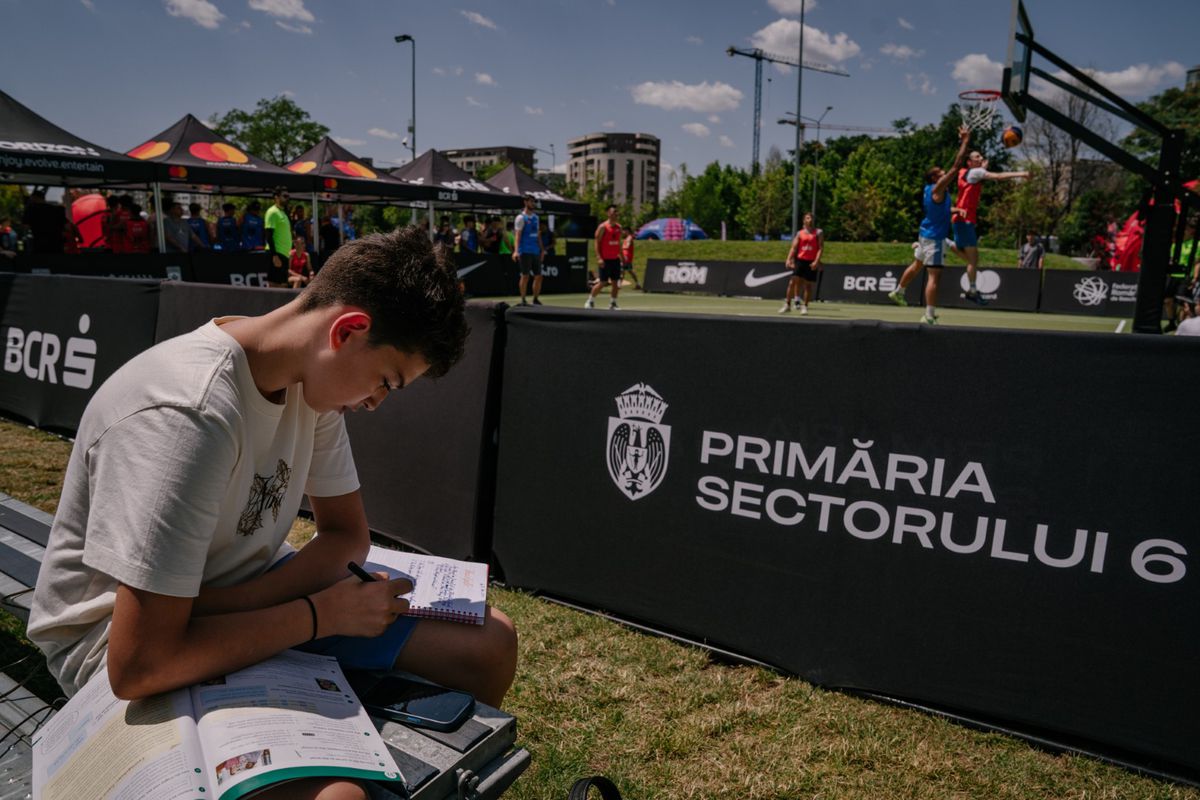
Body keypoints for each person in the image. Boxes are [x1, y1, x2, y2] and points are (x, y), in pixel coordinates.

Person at [27, 226, 517, 800]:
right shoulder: (190, 410)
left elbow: (345, 537)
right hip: (115, 643)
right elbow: (139, 664)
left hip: (222, 604)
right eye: (385, 381)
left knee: (488, 642)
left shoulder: (311, 381)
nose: (374, 403)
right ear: (349, 330)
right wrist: (318, 615)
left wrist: (266, 606)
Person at [888, 125, 972, 324]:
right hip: (934, 238)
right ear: (936, 178)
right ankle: (929, 315)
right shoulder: (938, 189)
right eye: (941, 173)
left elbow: (940, 210)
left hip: (926, 234)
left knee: (917, 265)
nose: (945, 175)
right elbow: (957, 165)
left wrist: (955, 210)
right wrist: (966, 141)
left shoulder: (930, 190)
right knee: (934, 276)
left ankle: (898, 291)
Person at [949, 152, 1029, 304]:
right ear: (969, 162)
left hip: (960, 220)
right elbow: (998, 177)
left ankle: (943, 242)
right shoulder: (976, 172)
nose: (981, 159)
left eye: (981, 157)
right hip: (965, 221)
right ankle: (972, 291)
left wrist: (981, 167)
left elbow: (974, 173)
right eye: (977, 157)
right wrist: (1022, 173)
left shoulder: (963, 172)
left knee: (971, 259)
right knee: (972, 260)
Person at [780, 212, 823, 315]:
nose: (810, 220)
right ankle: (787, 305)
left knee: (808, 286)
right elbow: (794, 248)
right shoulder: (800, 233)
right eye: (808, 218)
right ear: (804, 220)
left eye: (811, 218)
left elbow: (821, 248)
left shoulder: (819, 232)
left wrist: (816, 261)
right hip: (800, 261)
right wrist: (788, 259)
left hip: (811, 262)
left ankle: (805, 307)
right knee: (792, 283)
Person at [586, 204, 623, 310]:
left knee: (616, 283)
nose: (615, 214)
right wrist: (599, 257)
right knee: (603, 282)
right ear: (608, 213)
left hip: (615, 259)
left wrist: (622, 257)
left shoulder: (619, 228)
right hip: (605, 260)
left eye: (616, 212)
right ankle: (590, 301)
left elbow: (618, 243)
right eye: (613, 212)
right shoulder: (603, 227)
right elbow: (597, 242)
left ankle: (613, 304)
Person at [513, 193, 544, 306]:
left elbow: (537, 234)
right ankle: (523, 299)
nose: (533, 203)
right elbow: (517, 235)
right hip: (524, 250)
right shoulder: (521, 218)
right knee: (525, 276)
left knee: (539, 276)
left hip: (535, 250)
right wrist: (516, 251)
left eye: (534, 201)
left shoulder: (536, 217)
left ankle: (535, 299)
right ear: (525, 202)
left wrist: (542, 249)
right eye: (531, 201)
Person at [22, 189, 69, 255]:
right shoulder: (58, 210)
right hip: (57, 245)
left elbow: (26, 227)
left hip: (40, 245)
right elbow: (67, 226)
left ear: (34, 198)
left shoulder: (31, 210)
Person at [265, 188, 293, 276]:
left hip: (284, 253)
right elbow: (268, 236)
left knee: (283, 285)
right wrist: (274, 256)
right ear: (276, 197)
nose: (287, 198)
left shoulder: (283, 212)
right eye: (284, 196)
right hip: (277, 253)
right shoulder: (272, 212)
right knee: (274, 285)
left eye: (288, 196)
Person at [619, 225, 641, 290]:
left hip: (626, 257)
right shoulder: (627, 238)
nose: (623, 232)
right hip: (626, 256)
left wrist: (620, 248)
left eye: (624, 231)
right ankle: (638, 284)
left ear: (627, 231)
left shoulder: (629, 237)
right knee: (629, 271)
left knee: (622, 270)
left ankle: (618, 285)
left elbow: (627, 246)